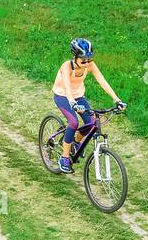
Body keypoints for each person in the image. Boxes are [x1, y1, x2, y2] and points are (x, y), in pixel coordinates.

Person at [51, 37, 124, 173]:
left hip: (78, 96)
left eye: (89, 59)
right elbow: (67, 86)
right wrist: (72, 103)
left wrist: (116, 99)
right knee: (73, 123)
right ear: (75, 57)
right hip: (62, 95)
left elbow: (103, 81)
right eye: (83, 60)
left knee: (91, 123)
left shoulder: (90, 65)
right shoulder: (67, 66)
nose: (86, 63)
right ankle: (64, 157)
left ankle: (76, 143)